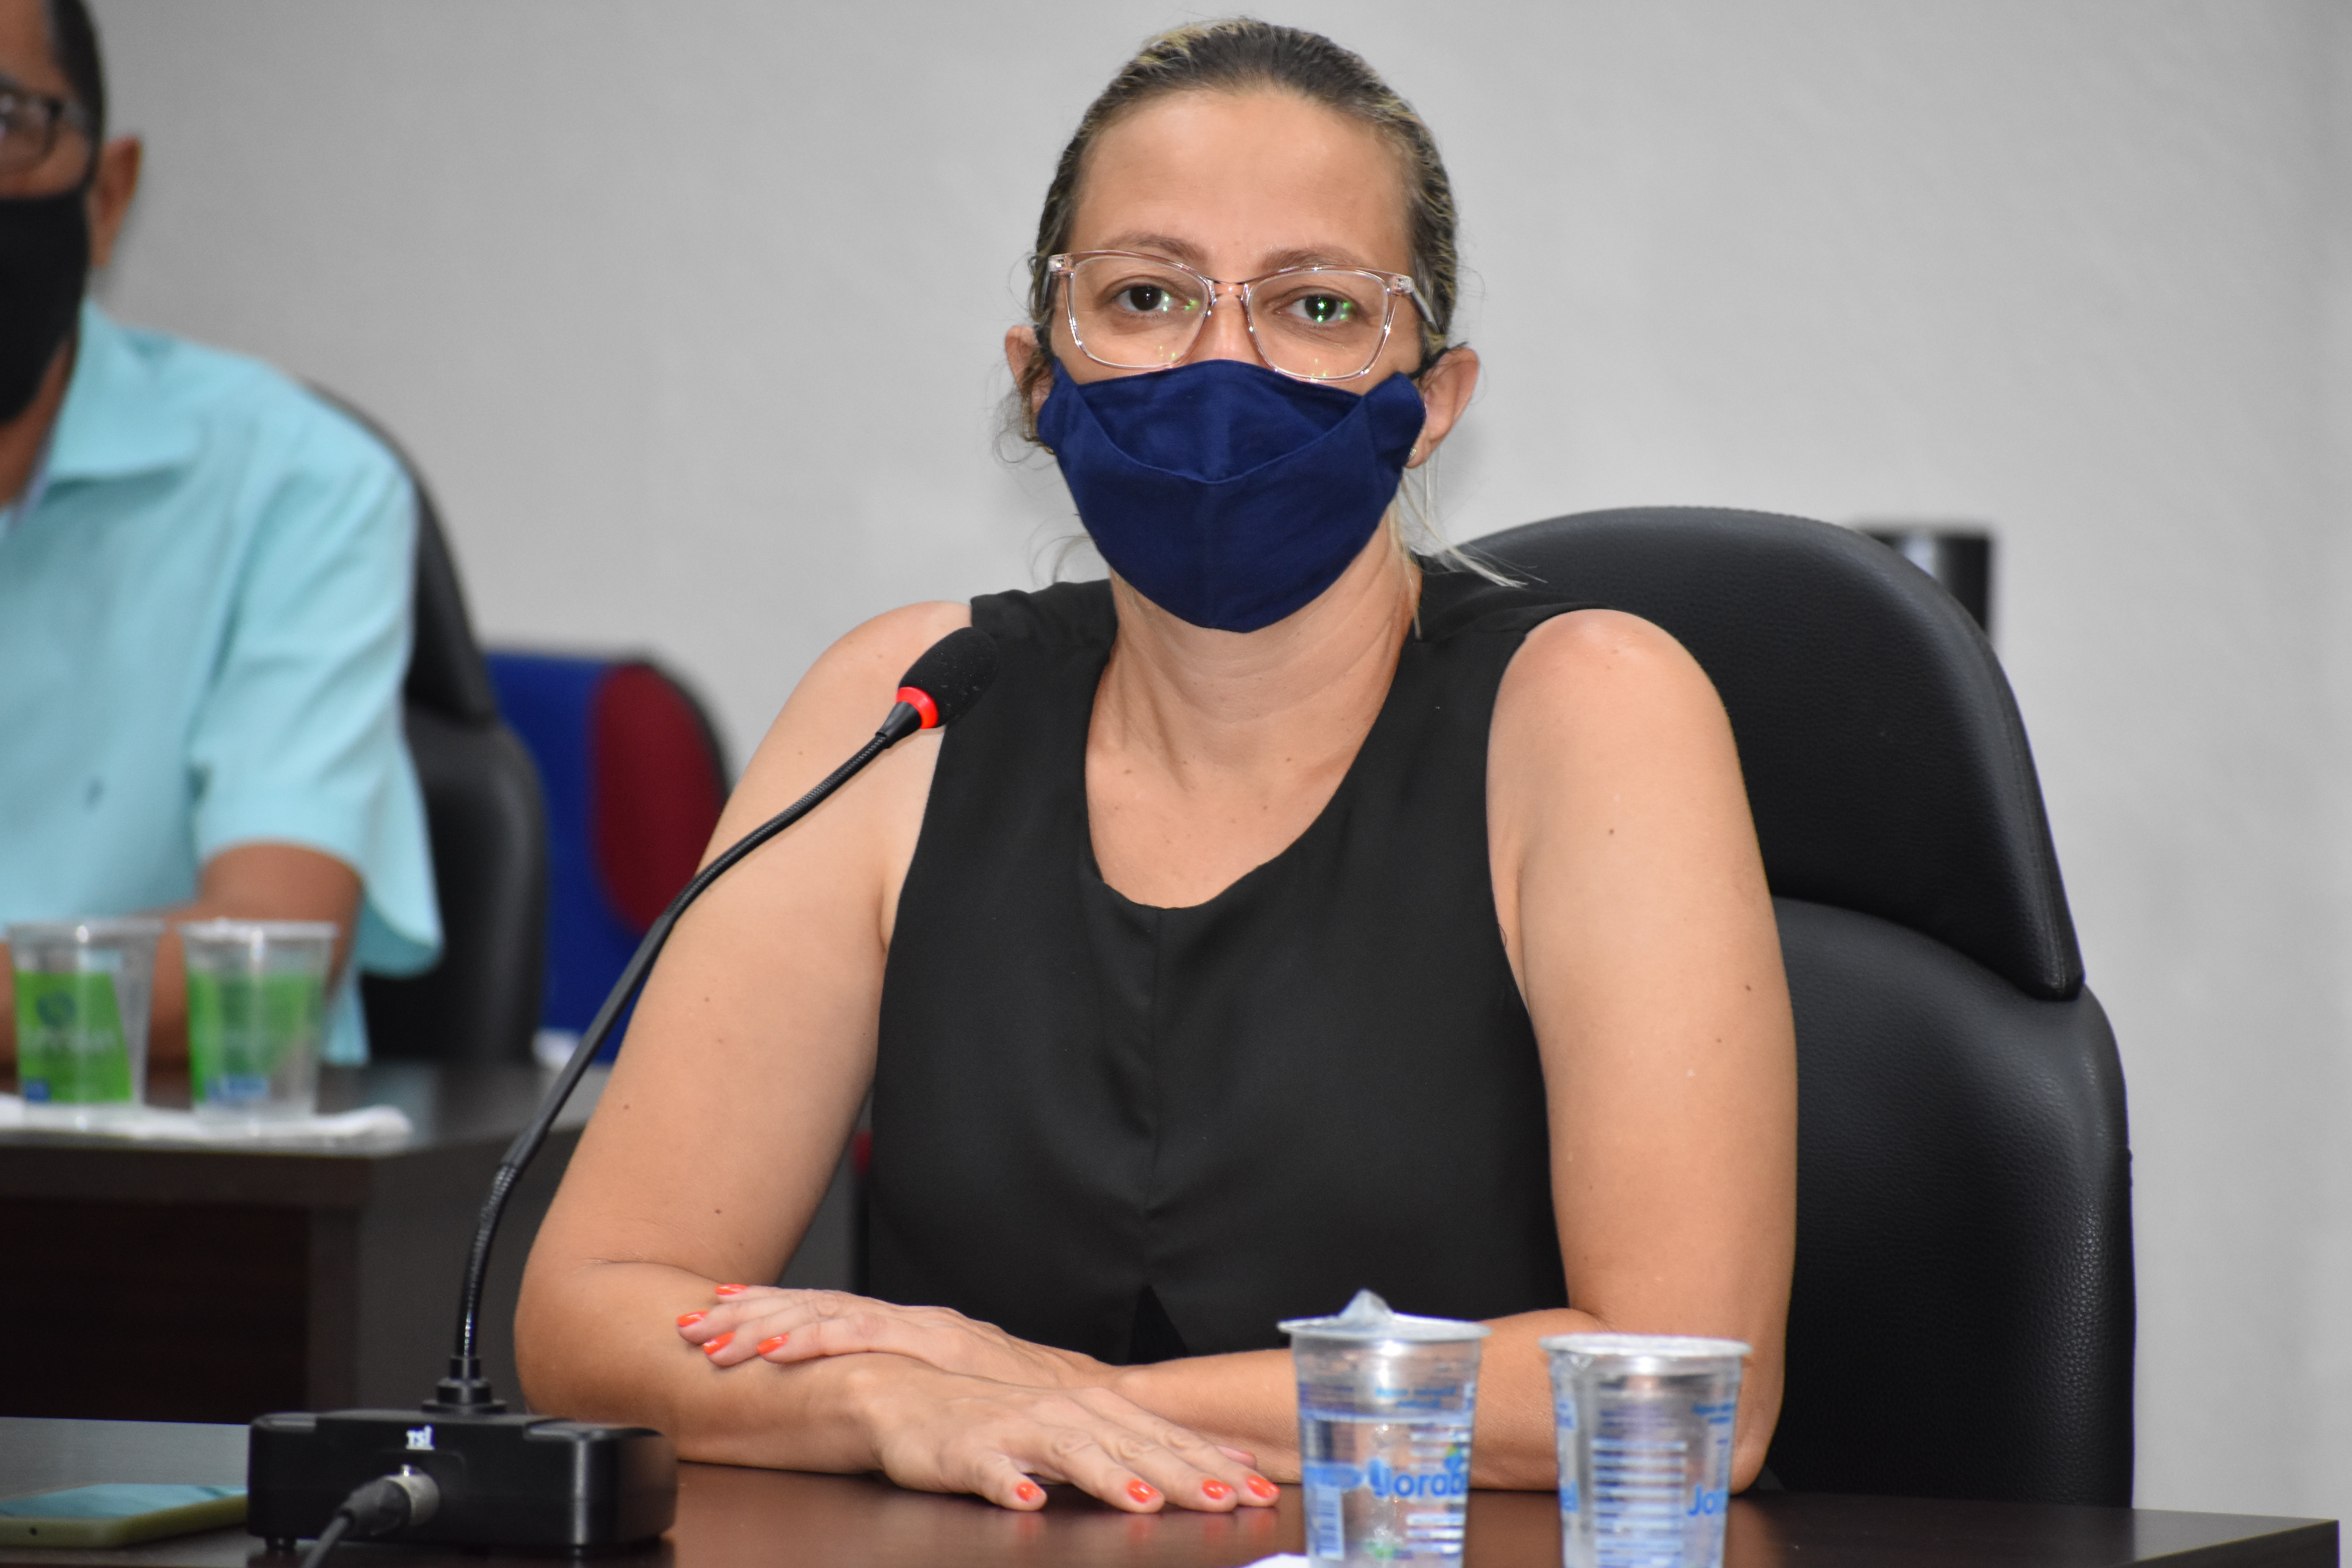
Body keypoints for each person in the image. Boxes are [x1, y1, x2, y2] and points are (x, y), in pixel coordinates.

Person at [519, 20, 1795, 1515]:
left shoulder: (1592, 710)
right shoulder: (909, 710)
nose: (1223, 366)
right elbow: (584, 1316)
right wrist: (876, 1401)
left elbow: (1686, 1383)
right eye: (1144, 297)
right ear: (1041, 378)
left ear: (1433, 402)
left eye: (1317, 306)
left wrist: (1058, 1402)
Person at [0, 0, 439, 1067]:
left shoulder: (298, 484)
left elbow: (263, 956)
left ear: (109, 194)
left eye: (3, 122)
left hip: (160, 1161)